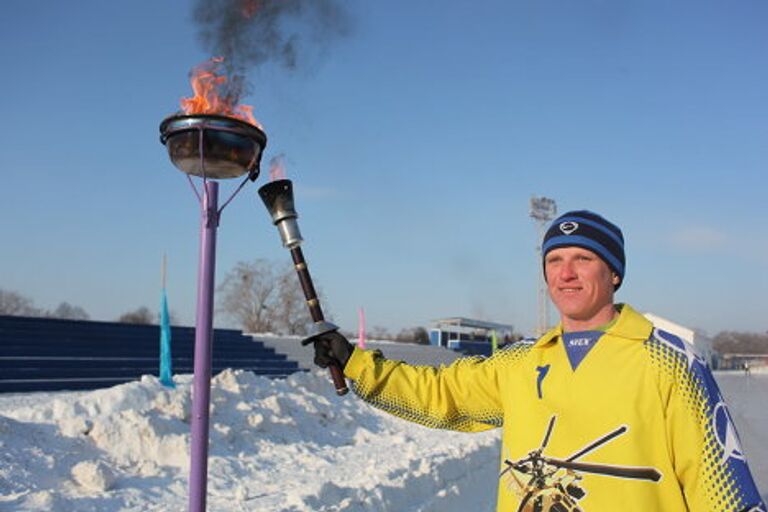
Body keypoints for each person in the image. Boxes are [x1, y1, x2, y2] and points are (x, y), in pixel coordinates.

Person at [309, 210, 766, 511]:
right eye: (555, 260)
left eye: (583, 258)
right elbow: (442, 394)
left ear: (614, 273)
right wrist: (354, 362)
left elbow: (723, 493)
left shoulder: (669, 362)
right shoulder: (523, 360)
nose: (565, 273)